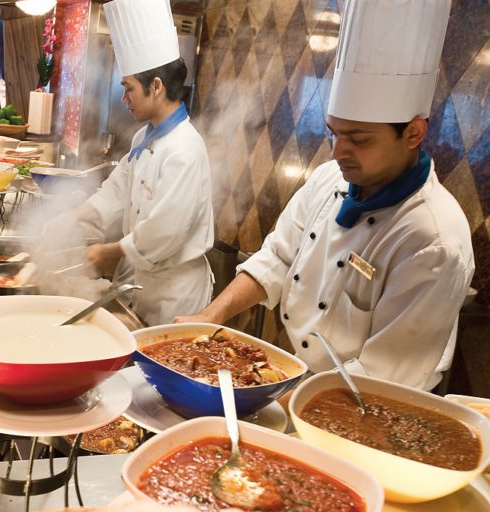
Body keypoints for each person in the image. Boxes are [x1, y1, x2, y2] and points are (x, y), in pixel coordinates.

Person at [176, 0, 473, 391]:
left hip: (373, 404)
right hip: (303, 376)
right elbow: (277, 259)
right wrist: (211, 315)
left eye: (358, 139)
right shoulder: (328, 179)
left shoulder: (434, 240)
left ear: (414, 133)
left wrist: (269, 400)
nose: (336, 152)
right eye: (334, 132)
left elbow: (381, 379)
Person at [43, 0, 214, 326]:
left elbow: (165, 231)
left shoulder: (184, 150)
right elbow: (115, 193)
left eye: (129, 89)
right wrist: (72, 217)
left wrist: (109, 252)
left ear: (157, 86)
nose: (124, 99)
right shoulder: (144, 138)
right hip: (139, 284)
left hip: (175, 297)